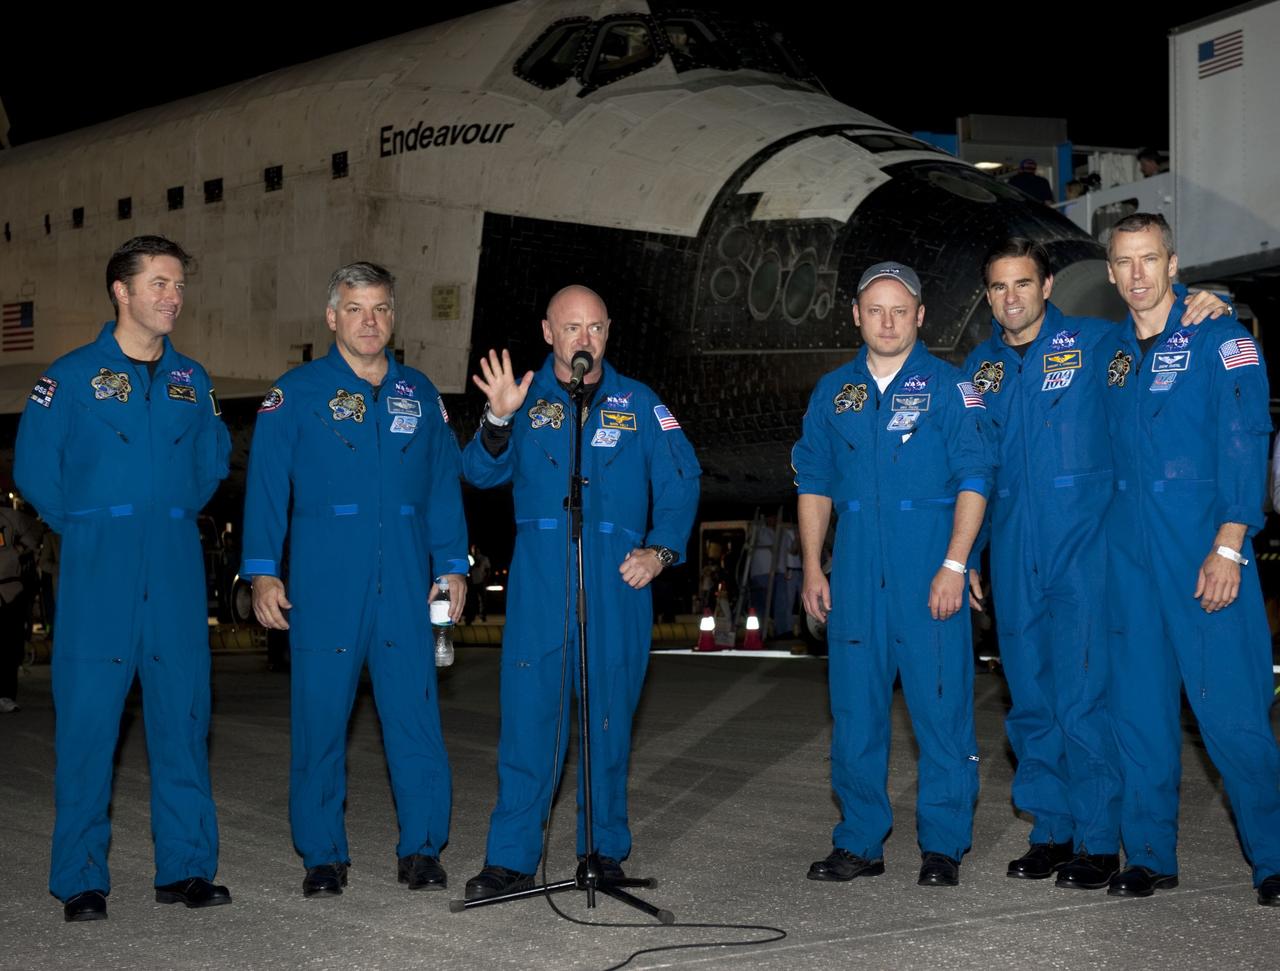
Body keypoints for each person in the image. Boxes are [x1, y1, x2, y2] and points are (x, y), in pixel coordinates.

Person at [963, 238, 1228, 890]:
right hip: (1013, 551)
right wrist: (967, 551)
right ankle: (1050, 828)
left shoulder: (1095, 344)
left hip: (1084, 549)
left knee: (1085, 696)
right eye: (999, 288)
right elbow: (972, 462)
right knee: (1029, 699)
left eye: (1022, 283)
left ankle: (1098, 837)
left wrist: (1211, 303)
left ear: (1047, 285)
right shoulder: (979, 368)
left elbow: (1158, 336)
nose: (1011, 298)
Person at [14, 235, 232, 921]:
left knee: (184, 720)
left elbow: (211, 460)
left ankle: (187, 867)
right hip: (97, 565)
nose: (174, 297)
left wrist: (165, 513)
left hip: (172, 563)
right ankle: (80, 878)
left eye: (178, 286)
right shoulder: (70, 377)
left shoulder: (191, 380)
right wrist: (86, 522)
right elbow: (34, 467)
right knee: (87, 725)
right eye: (160, 283)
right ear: (122, 290)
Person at [460, 284, 700, 900]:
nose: (584, 340)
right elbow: (480, 472)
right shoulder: (524, 399)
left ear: (608, 332)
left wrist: (661, 549)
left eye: (595, 328)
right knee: (527, 727)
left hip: (616, 589)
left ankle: (602, 851)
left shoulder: (639, 403)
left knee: (608, 726)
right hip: (541, 589)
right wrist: (498, 418)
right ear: (548, 333)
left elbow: (681, 477)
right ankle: (511, 860)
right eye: (572, 328)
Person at [240, 261, 469, 898]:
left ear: (393, 316)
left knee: (416, 720)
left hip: (403, 575)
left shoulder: (419, 394)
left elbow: (441, 485)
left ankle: (422, 848)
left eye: (382, 310)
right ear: (332, 316)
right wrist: (262, 572)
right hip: (324, 578)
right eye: (356, 309)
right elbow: (266, 488)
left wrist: (452, 564)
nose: (370, 322)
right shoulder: (295, 393)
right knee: (319, 721)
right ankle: (322, 855)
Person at [1099, 212, 1280, 906]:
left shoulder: (1220, 338)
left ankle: (1273, 857)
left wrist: (1230, 543)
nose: (1138, 274)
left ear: (1175, 264)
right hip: (1131, 561)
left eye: (1150, 259)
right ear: (1110, 272)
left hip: (1203, 548)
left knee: (1233, 713)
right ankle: (1147, 854)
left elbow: (1246, 438)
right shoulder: (1108, 351)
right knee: (1139, 715)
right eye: (1125, 262)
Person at [795, 261, 994, 888]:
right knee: (855, 715)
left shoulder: (952, 388)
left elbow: (975, 478)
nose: (887, 321)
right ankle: (859, 841)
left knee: (941, 713)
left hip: (928, 570)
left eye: (899, 309)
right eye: (874, 309)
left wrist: (955, 565)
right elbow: (815, 484)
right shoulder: (833, 392)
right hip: (854, 576)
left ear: (920, 316)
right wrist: (811, 567)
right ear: (856, 314)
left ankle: (942, 844)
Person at [0, 502, 41, 713]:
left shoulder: (8, 516)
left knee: (9, 643)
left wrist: (20, 549)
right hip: (10, 587)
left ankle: (6, 694)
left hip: (10, 588)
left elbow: (35, 532)